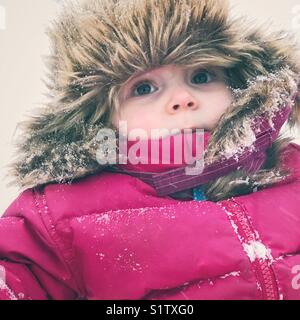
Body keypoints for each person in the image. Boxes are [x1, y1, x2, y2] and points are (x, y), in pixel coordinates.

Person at [0, 0, 300, 300]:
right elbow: (16, 273)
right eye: (144, 88)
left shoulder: (289, 170)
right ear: (101, 115)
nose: (183, 98)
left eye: (201, 76)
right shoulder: (64, 212)